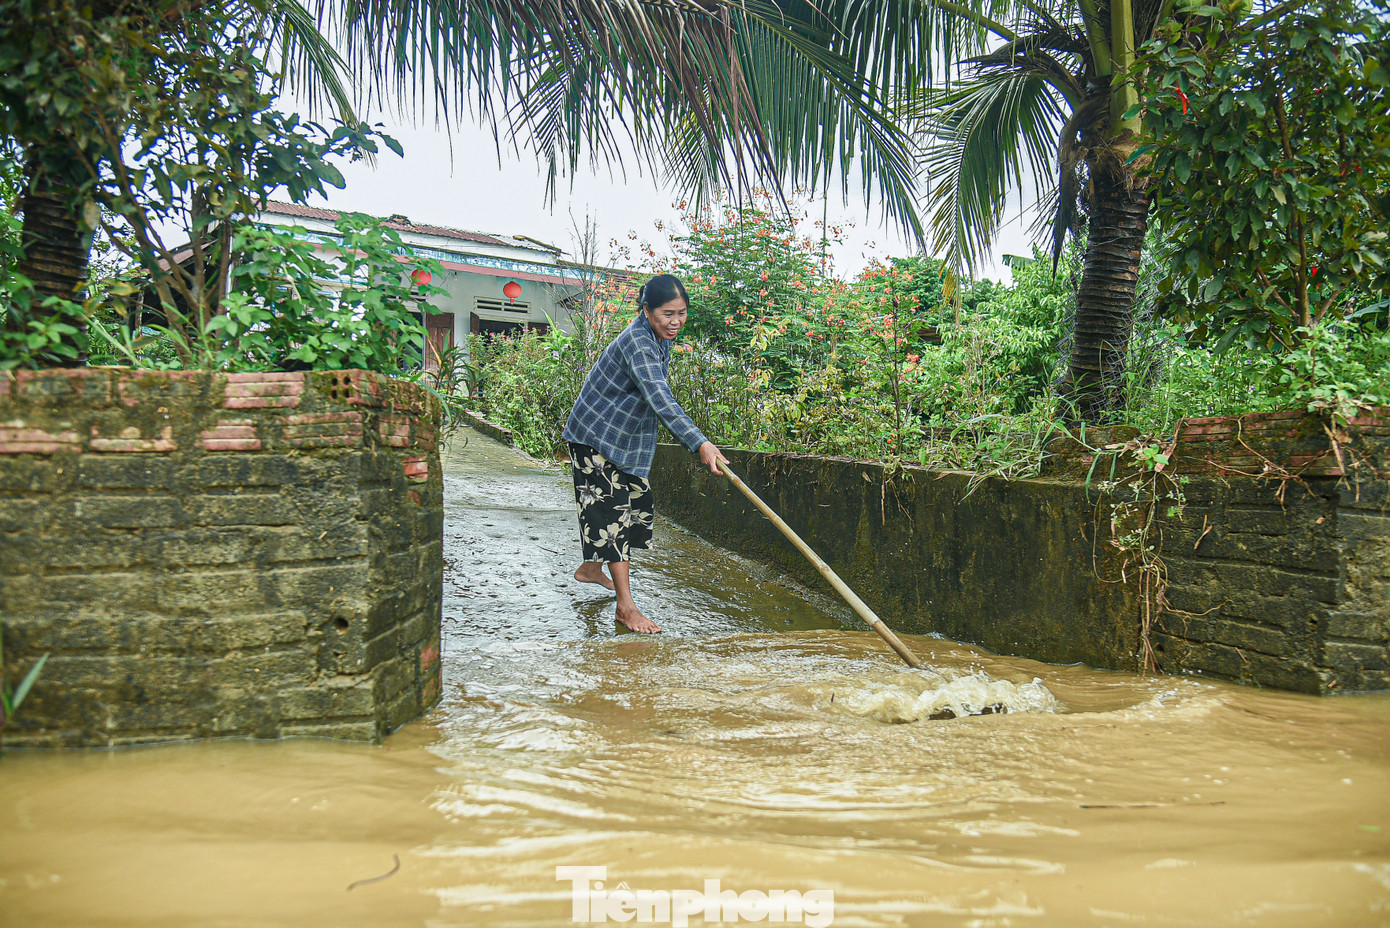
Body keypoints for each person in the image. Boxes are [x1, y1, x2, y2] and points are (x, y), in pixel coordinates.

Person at [562, 273, 729, 633]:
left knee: (634, 508)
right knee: (612, 517)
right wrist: (700, 442)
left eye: (682, 313)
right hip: (596, 436)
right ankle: (626, 607)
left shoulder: (657, 336)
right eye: (668, 313)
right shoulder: (639, 342)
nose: (676, 322)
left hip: (622, 440)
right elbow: (660, 398)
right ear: (646, 310)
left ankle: (591, 569)